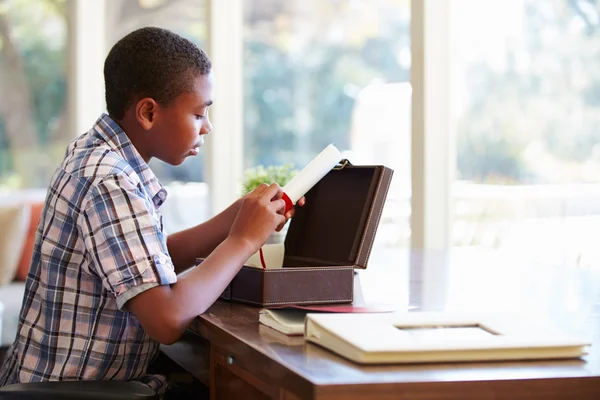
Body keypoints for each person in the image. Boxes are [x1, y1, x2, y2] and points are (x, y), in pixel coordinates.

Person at [0, 26, 302, 398]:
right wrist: (243, 239)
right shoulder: (109, 181)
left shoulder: (96, 153)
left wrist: (235, 218)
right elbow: (168, 319)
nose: (206, 127)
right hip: (75, 392)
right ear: (147, 112)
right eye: (197, 114)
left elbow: (147, 263)